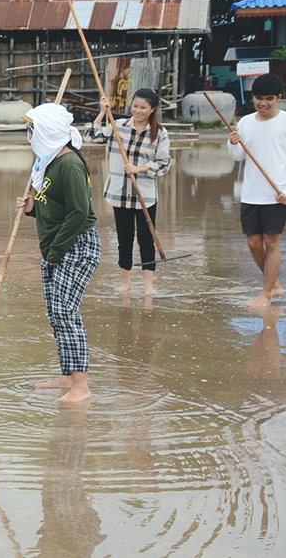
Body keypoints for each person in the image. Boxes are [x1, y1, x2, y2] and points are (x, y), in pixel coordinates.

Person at [16, 103, 100, 403]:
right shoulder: (49, 162)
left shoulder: (69, 164)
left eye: (32, 129)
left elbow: (79, 213)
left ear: (47, 131)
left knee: (66, 312)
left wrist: (54, 252)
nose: (29, 135)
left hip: (75, 246)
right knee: (56, 314)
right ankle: (68, 376)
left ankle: (81, 386)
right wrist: (32, 208)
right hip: (56, 247)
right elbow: (56, 207)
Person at [87, 89, 170, 295]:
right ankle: (126, 282)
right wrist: (102, 113)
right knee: (124, 239)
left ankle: (149, 285)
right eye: (135, 106)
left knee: (146, 239)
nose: (138, 111)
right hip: (120, 194)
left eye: (143, 108)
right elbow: (92, 137)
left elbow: (164, 164)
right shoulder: (119, 126)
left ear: (152, 109)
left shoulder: (160, 133)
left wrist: (140, 169)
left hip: (145, 197)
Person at [227, 73, 286, 309]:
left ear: (279, 98)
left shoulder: (285, 122)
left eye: (269, 99)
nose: (263, 103)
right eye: (259, 98)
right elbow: (238, 157)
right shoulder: (245, 122)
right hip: (251, 192)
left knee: (272, 242)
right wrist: (233, 142)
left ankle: (266, 293)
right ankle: (273, 285)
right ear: (253, 98)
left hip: (277, 195)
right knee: (253, 243)